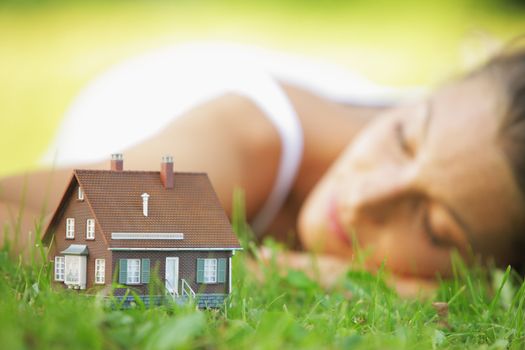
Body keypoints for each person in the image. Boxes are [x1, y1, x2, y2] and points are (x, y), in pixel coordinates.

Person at [1, 41, 524, 293]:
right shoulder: (250, 134)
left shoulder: (477, 165)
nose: (364, 198)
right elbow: (23, 223)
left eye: (435, 228)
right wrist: (290, 277)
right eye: (403, 139)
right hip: (148, 88)